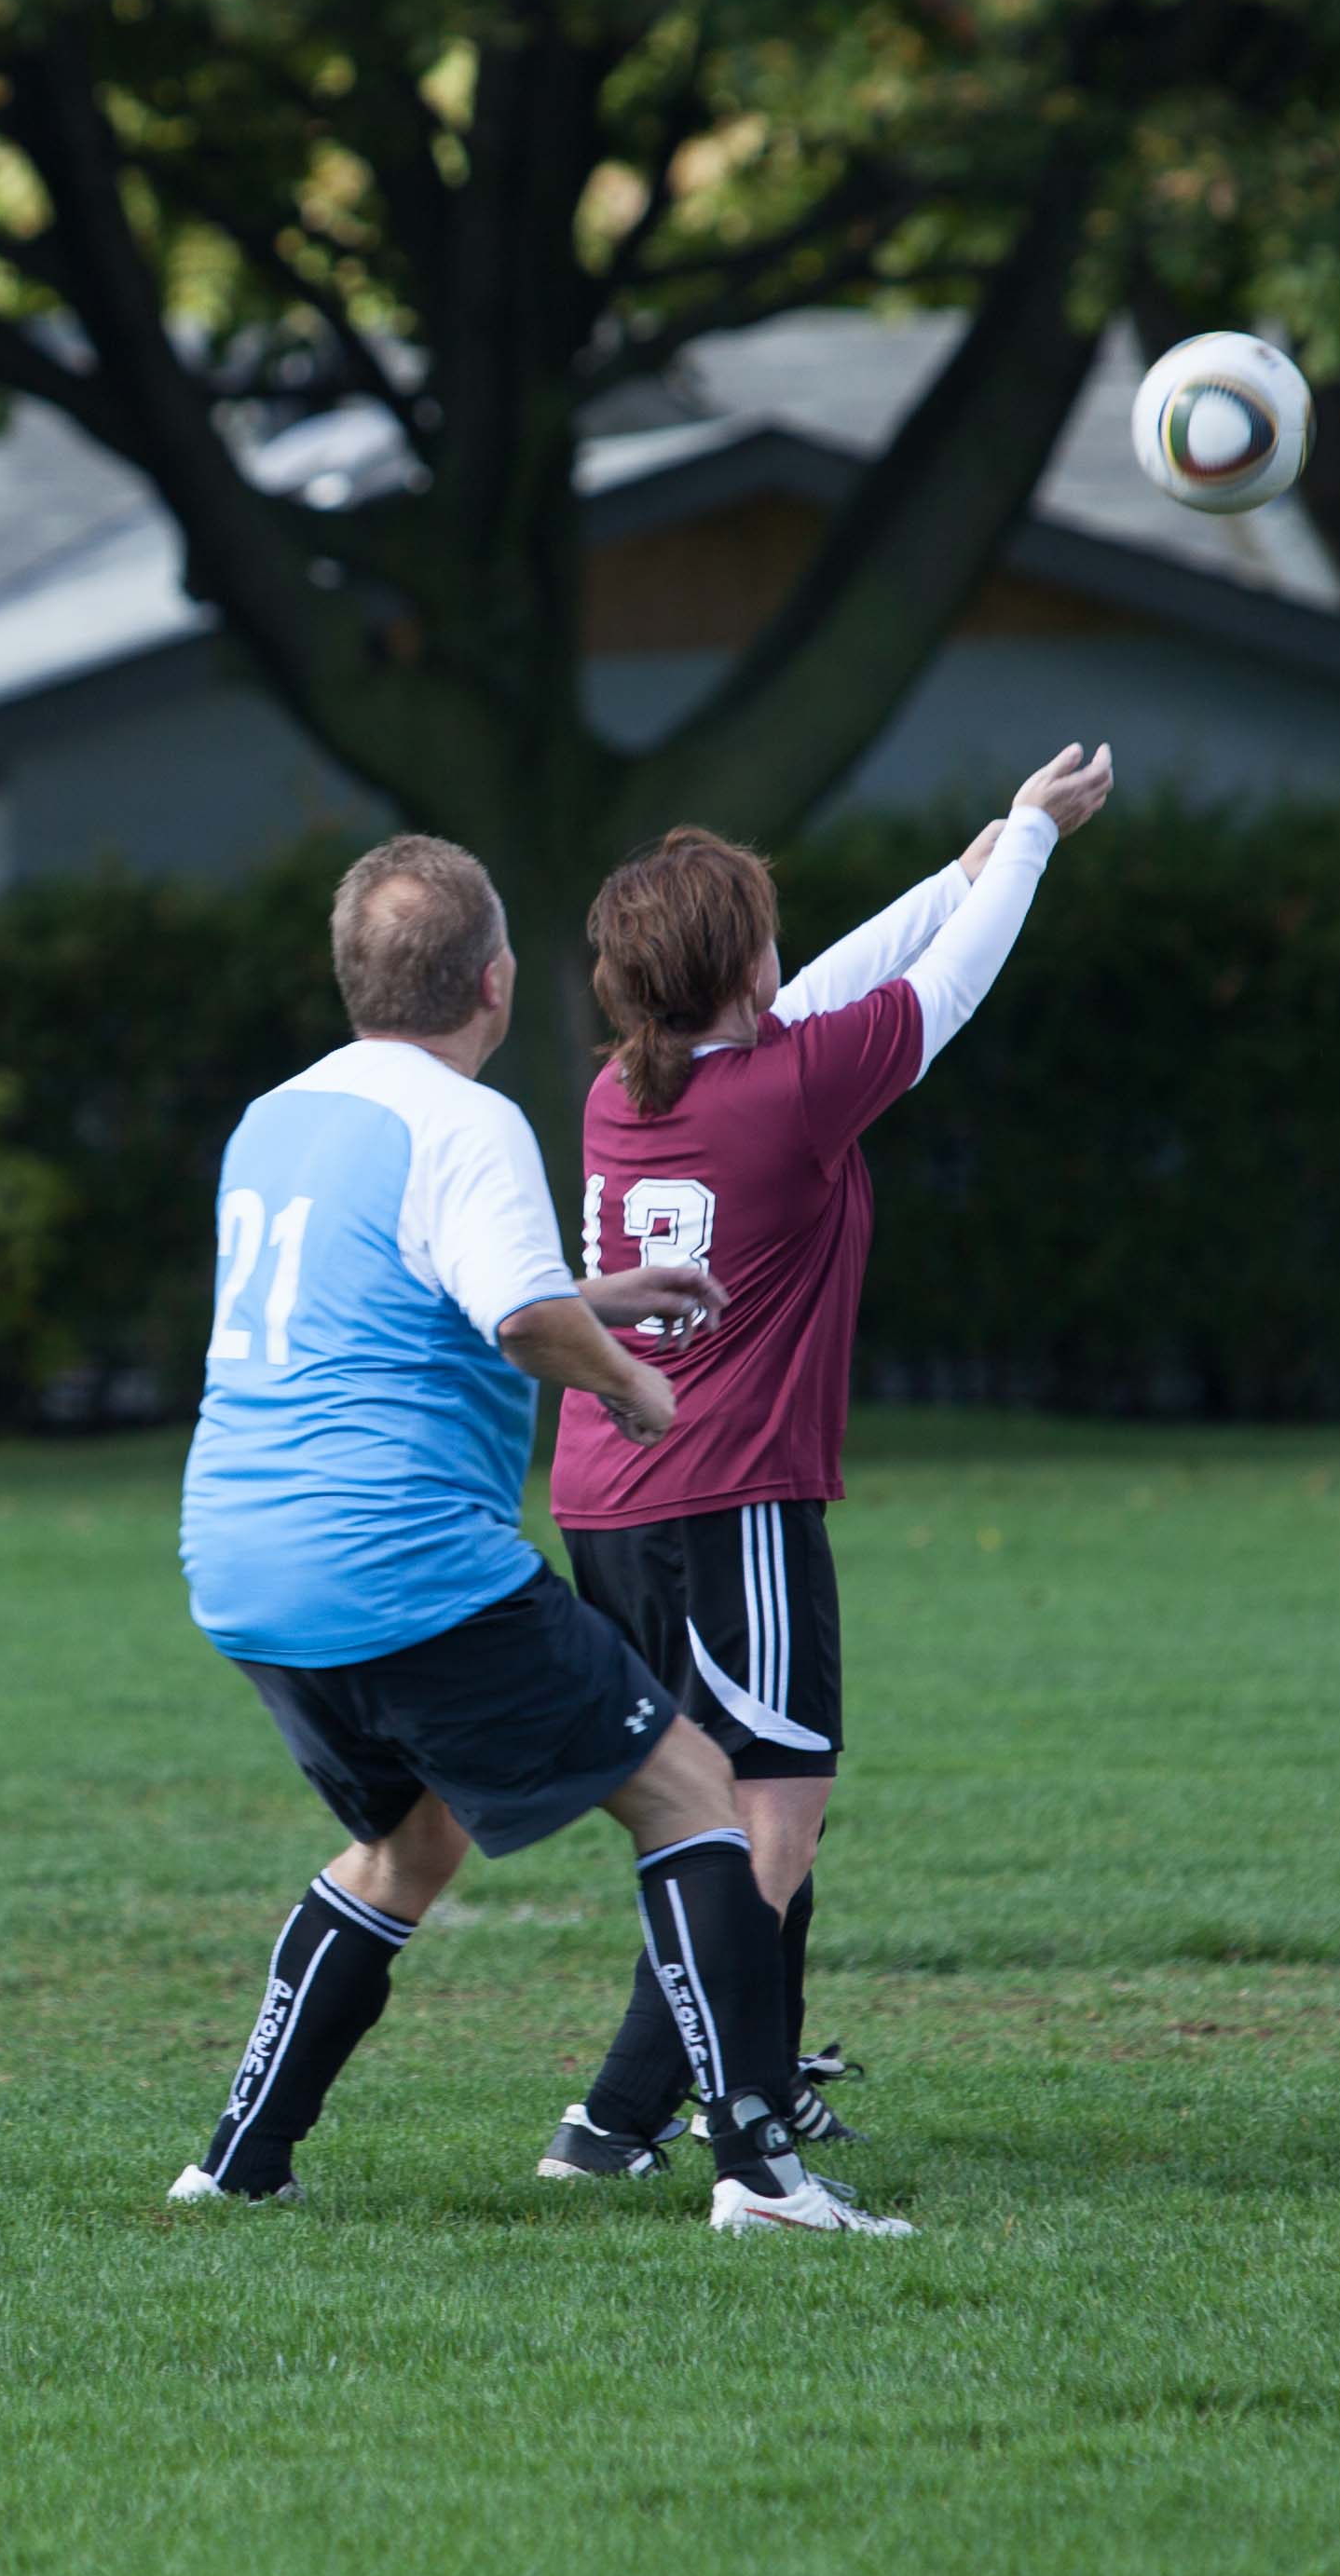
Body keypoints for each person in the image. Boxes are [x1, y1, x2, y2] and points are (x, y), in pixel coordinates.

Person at [172, 836, 909, 2236]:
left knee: (412, 1840)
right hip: (400, 1559)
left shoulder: (274, 1117)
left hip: (238, 1559)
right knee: (696, 1791)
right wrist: (629, 1377)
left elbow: (418, 1288)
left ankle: (238, 2161)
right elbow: (517, 1320)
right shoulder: (467, 1121)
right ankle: (759, 2172)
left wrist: (605, 1295)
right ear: (496, 981)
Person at [531, 744, 1114, 2180]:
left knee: (717, 1802)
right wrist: (1031, 843)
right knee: (771, 1815)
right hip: (725, 1503)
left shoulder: (623, 1089)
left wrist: (970, 861)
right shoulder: (787, 1092)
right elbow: (939, 991)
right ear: (740, 971)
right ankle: (619, 2117)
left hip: (607, 1498)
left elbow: (820, 993)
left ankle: (760, 2085)